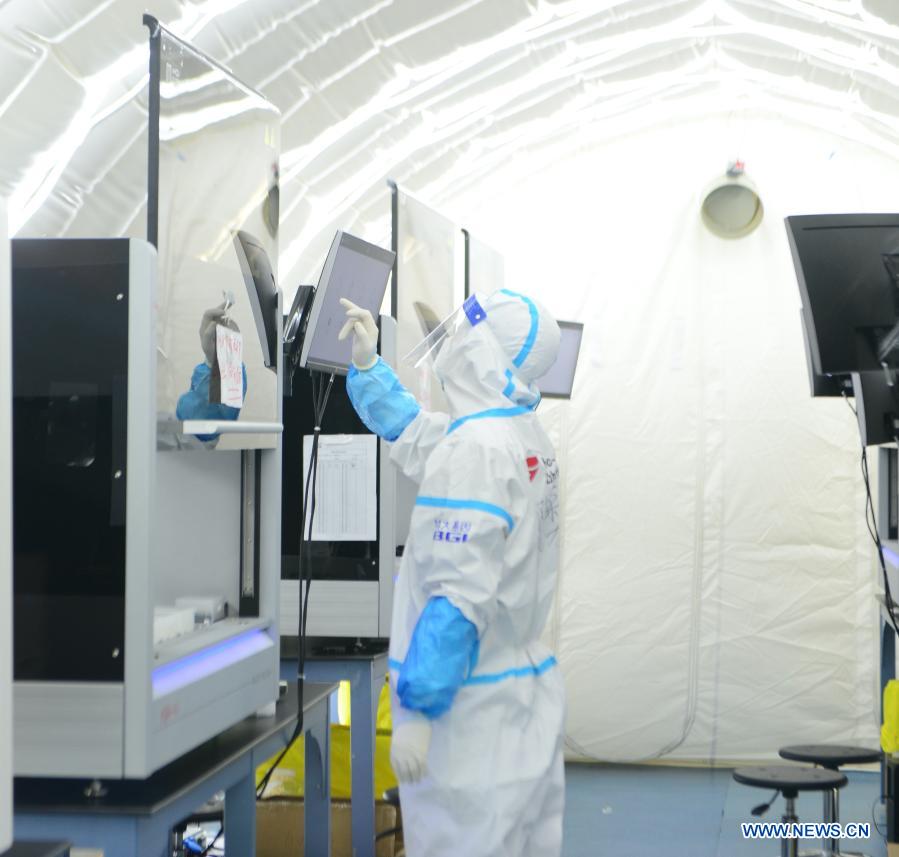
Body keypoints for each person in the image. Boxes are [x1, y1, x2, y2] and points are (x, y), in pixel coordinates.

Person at [338, 289, 566, 857]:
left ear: (489, 350)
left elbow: (458, 599)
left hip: (467, 714)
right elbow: (421, 436)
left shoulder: (478, 451)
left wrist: (416, 708)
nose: (456, 338)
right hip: (519, 698)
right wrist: (369, 369)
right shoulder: (518, 433)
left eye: (470, 327)